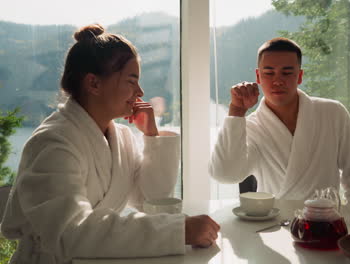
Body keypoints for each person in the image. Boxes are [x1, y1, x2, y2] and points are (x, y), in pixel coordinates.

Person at [1, 24, 219, 264]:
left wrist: (152, 135)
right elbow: (71, 231)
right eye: (131, 81)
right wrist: (178, 231)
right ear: (93, 84)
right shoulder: (53, 143)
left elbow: (152, 199)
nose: (140, 91)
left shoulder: (122, 138)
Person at [209, 37, 350, 213]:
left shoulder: (333, 113)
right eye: (269, 73)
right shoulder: (251, 127)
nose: (278, 81)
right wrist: (236, 112)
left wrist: (348, 222)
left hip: (325, 225)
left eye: (287, 73)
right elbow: (226, 174)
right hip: (272, 225)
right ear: (258, 76)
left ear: (300, 76)